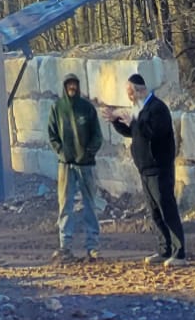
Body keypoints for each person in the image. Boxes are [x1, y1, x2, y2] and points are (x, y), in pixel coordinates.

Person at [108, 72, 187, 263]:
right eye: (127, 92)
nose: (129, 96)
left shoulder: (157, 108)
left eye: (131, 92)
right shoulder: (140, 109)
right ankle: (164, 250)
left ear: (141, 90)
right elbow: (133, 132)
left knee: (167, 209)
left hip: (159, 168)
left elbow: (152, 132)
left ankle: (179, 253)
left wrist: (134, 123)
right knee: (155, 212)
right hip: (145, 170)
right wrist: (115, 121)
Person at [46, 71, 102, 259]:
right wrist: (62, 153)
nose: (72, 87)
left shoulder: (87, 108)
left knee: (90, 204)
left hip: (86, 165)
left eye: (74, 84)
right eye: (69, 84)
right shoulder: (57, 108)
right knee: (65, 205)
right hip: (65, 165)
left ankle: (92, 245)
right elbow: (52, 135)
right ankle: (65, 245)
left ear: (78, 86)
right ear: (64, 87)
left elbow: (97, 136)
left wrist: (88, 153)